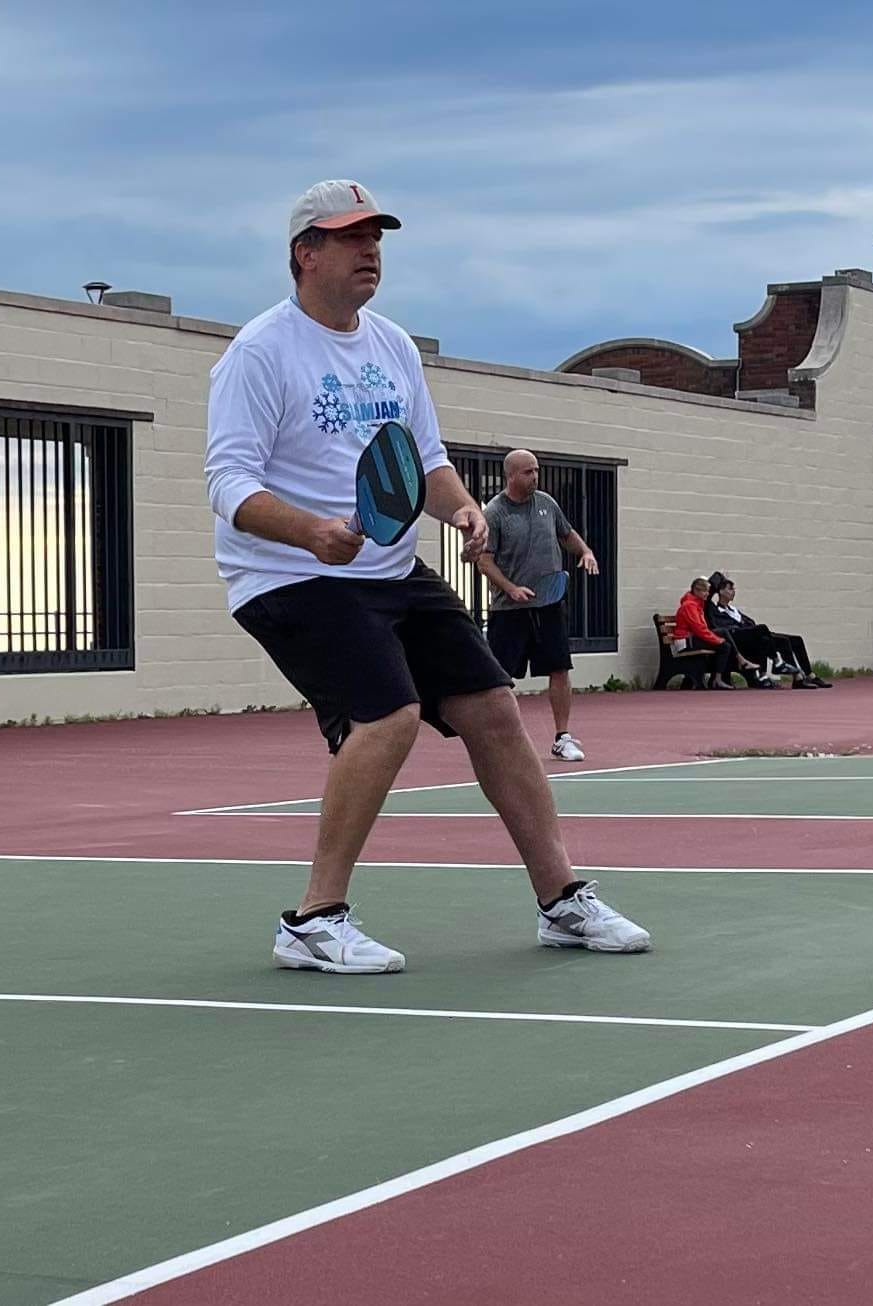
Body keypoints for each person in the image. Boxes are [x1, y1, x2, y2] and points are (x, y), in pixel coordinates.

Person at [204, 179, 650, 975]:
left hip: (388, 569)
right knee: (391, 716)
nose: (370, 249)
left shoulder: (394, 346)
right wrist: (312, 532)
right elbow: (229, 485)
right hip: (286, 574)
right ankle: (313, 920)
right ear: (306, 254)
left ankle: (562, 901)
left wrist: (460, 512)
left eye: (376, 235)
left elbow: (425, 463)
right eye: (350, 237)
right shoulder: (260, 353)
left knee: (494, 709)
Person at [476, 449, 600, 762]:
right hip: (510, 610)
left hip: (549, 604)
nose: (535, 477)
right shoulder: (494, 512)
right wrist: (511, 588)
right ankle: (495, 739)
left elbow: (567, 535)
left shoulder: (547, 503)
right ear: (512, 476)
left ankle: (562, 737)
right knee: (500, 677)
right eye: (528, 472)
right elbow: (484, 561)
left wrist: (585, 552)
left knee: (559, 669)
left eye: (537, 471)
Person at [708, 573, 830, 689]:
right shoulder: (715, 610)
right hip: (738, 639)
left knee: (795, 640)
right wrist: (720, 577)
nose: (733, 592)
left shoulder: (734, 610)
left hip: (753, 634)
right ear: (720, 591)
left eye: (733, 589)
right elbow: (709, 593)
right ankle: (789, 672)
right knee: (770, 634)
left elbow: (751, 623)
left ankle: (808, 675)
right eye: (730, 589)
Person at [674, 576, 762, 689]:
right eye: (704, 591)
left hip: (693, 638)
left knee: (725, 642)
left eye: (708, 591)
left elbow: (702, 629)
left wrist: (718, 640)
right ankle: (739, 661)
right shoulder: (689, 606)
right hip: (685, 641)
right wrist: (717, 640)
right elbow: (700, 630)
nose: (707, 594)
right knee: (723, 641)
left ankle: (718, 679)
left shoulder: (697, 604)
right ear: (696, 591)